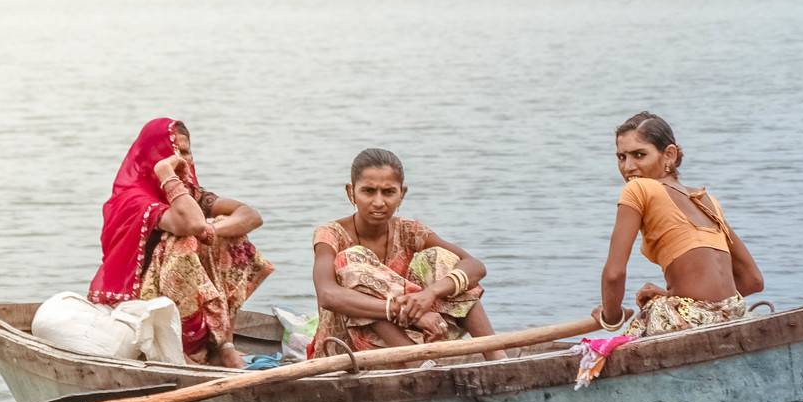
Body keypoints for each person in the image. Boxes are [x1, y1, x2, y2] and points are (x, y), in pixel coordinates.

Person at [88, 117, 273, 368]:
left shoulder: (189, 194)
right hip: (138, 297)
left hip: (177, 292)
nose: (183, 160)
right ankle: (180, 349)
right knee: (183, 241)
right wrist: (166, 174)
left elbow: (250, 215)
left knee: (230, 235)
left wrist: (212, 230)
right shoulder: (135, 198)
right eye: (173, 153)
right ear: (154, 158)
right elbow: (191, 224)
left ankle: (224, 345)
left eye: (186, 152)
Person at [310, 148, 504, 360]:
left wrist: (430, 294)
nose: (378, 202)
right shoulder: (330, 234)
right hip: (347, 350)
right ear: (351, 192)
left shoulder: (410, 231)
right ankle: (417, 364)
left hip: (417, 334)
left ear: (401, 194)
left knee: (441, 258)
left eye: (388, 192)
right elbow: (327, 294)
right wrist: (399, 310)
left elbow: (475, 266)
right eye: (368, 191)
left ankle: (496, 356)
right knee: (349, 259)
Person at [594, 112, 763, 336]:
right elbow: (752, 280)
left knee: (608, 348)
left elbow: (614, 274)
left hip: (691, 323)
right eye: (621, 157)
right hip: (733, 316)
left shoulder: (638, 188)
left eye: (639, 155)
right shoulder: (706, 200)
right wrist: (675, 298)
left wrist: (611, 317)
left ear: (669, 155)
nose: (628, 167)